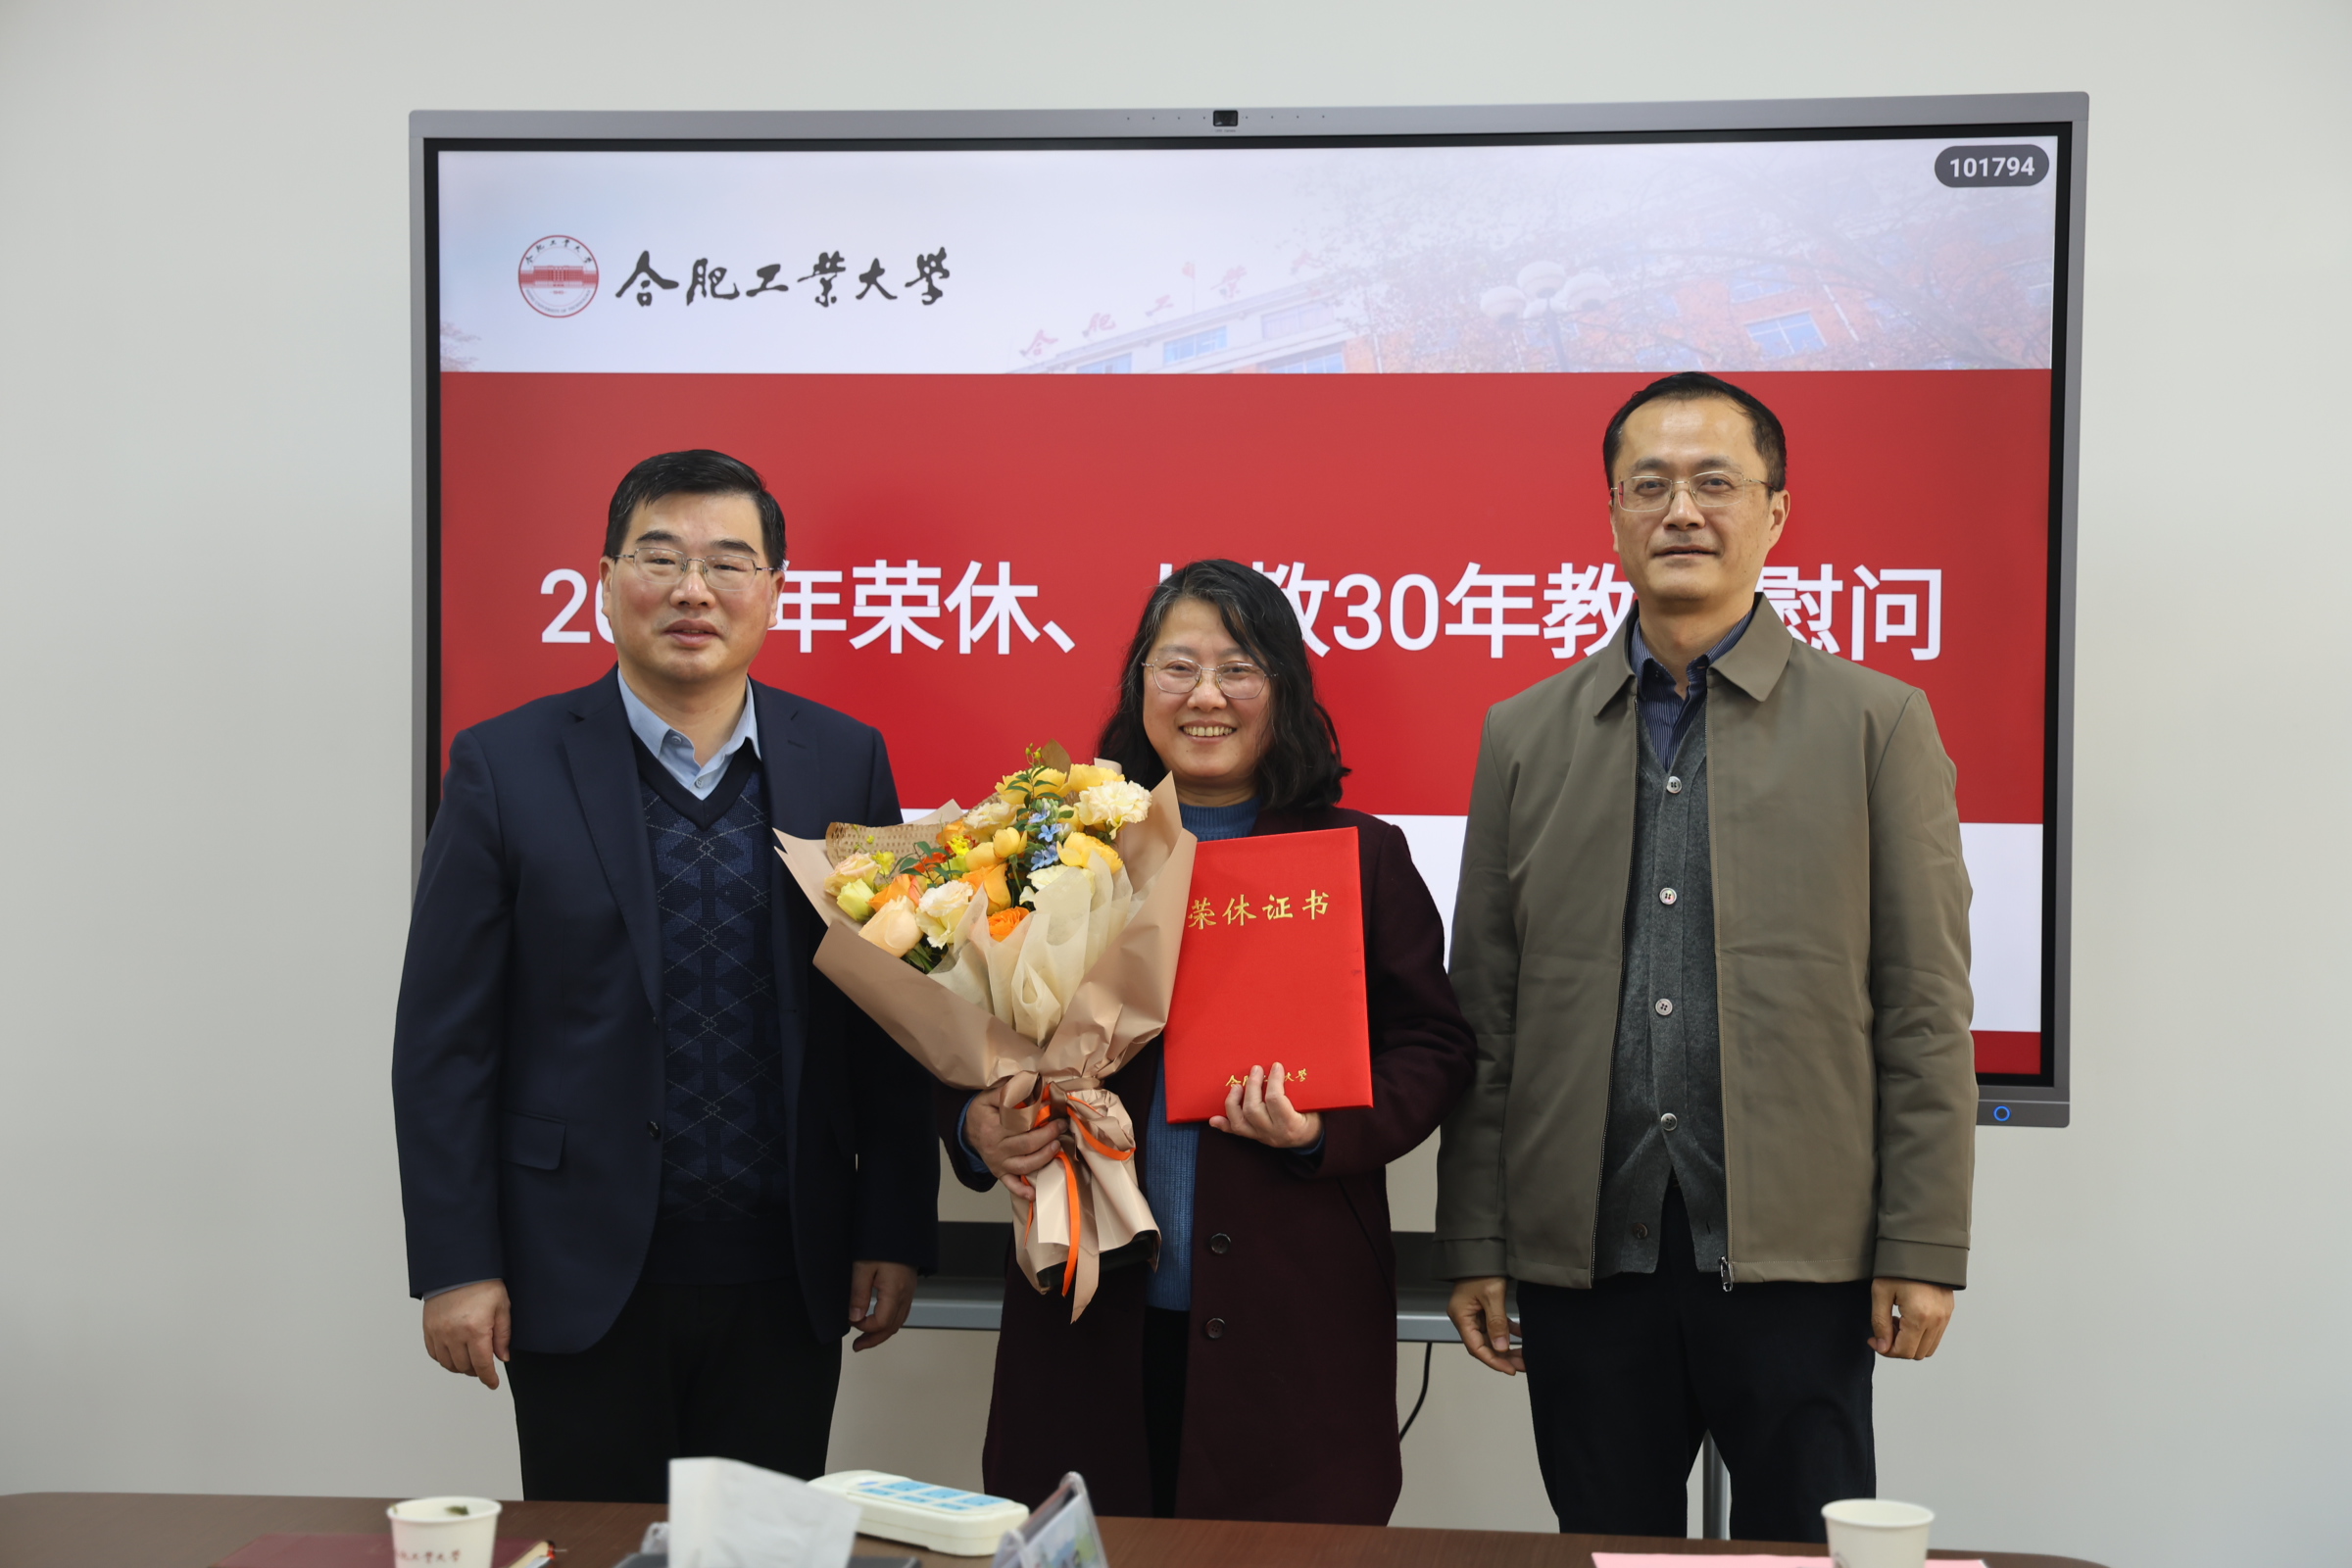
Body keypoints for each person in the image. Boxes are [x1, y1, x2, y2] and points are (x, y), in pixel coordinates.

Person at [1436, 373, 1977, 1543]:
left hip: (1800, 1262)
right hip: (1588, 1257)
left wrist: (1923, 1243)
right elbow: (1489, 1013)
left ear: (1774, 512)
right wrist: (1474, 1238)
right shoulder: (1523, 734)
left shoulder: (1876, 723)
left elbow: (1926, 1006)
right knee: (1606, 1551)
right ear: (1613, 514)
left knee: (1802, 1554)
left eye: (1715, 482)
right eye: (1651, 485)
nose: (1682, 509)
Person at [392, 449, 938, 1501]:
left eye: (729, 563)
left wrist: (893, 1228)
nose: (694, 590)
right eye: (661, 558)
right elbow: (445, 1043)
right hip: (575, 1271)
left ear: (774, 590)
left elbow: (889, 1022)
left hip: (786, 1271)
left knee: (762, 1549)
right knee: (596, 1549)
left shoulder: (846, 759)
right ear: (605, 581)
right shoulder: (503, 765)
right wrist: (458, 1262)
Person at [944, 559, 1474, 1523]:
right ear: (1139, 685)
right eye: (1177, 666)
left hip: (1289, 1317)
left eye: (1238, 669)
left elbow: (1434, 1047)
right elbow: (968, 1026)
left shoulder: (1361, 855)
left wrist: (1322, 1131)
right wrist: (979, 1126)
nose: (1205, 696)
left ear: (1285, 689)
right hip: (1086, 1307)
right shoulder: (1056, 849)